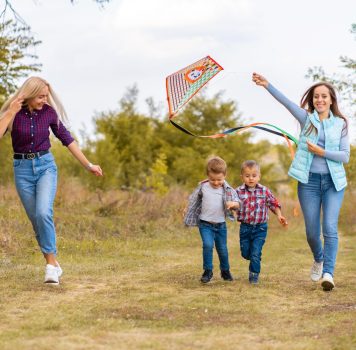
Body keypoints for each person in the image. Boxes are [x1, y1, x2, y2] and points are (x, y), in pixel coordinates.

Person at [0, 76, 103, 285]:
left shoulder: (48, 113)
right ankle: (54, 264)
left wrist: (88, 165)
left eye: (46, 96)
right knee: (36, 220)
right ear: (28, 94)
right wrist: (10, 112)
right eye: (40, 96)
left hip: (45, 166)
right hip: (22, 170)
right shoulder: (13, 113)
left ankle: (50, 267)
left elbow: (67, 139)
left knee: (43, 212)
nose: (44, 100)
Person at [252, 72, 350, 291]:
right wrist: (267, 85)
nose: (320, 100)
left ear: (331, 100)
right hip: (309, 183)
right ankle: (319, 258)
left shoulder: (341, 124)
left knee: (330, 228)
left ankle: (328, 273)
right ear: (312, 100)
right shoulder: (306, 119)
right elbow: (286, 102)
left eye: (324, 96)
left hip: (334, 183)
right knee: (312, 233)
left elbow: (345, 156)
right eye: (316, 96)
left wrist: (322, 152)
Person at [184, 156, 240, 283]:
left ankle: (225, 271)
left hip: (220, 225)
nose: (215, 182)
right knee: (208, 245)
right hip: (205, 224)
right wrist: (187, 209)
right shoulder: (203, 187)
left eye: (219, 180)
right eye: (212, 179)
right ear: (207, 175)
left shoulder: (228, 189)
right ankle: (207, 271)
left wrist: (233, 205)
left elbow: (238, 203)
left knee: (222, 249)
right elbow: (193, 200)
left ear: (225, 175)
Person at [235, 160, 288, 284]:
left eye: (254, 176)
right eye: (247, 176)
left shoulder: (264, 191)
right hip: (245, 227)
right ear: (242, 177)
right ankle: (255, 256)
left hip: (260, 228)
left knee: (255, 252)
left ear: (259, 176)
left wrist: (279, 215)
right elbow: (232, 205)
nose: (251, 179)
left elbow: (274, 204)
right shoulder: (238, 192)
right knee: (245, 253)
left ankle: (254, 275)